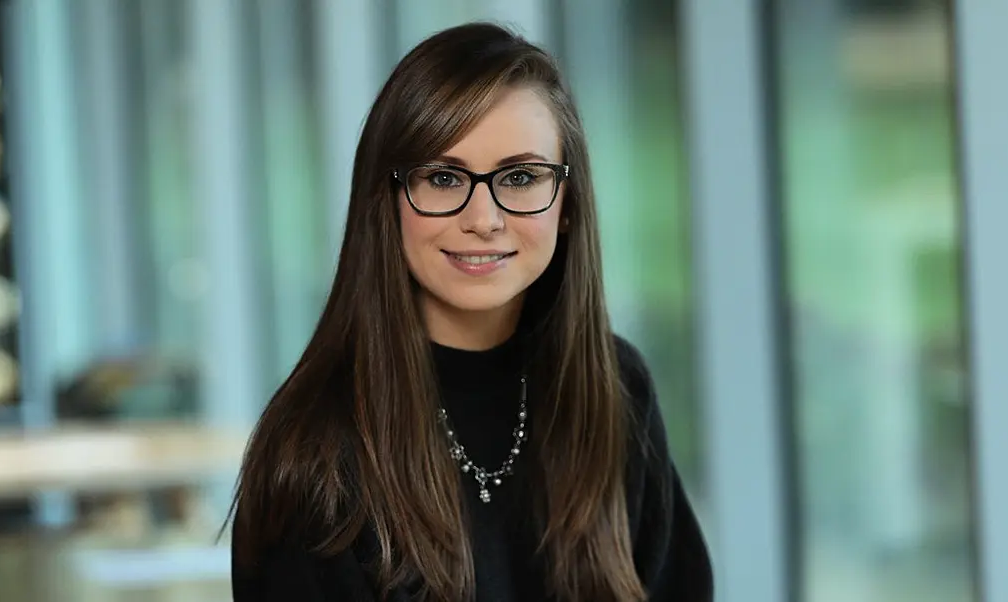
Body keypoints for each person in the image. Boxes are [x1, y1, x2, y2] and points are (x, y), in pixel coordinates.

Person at [228, 22, 713, 602]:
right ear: (387, 201)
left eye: (520, 177)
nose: (482, 218)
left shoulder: (616, 388)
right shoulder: (314, 453)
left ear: (567, 205)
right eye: (442, 178)